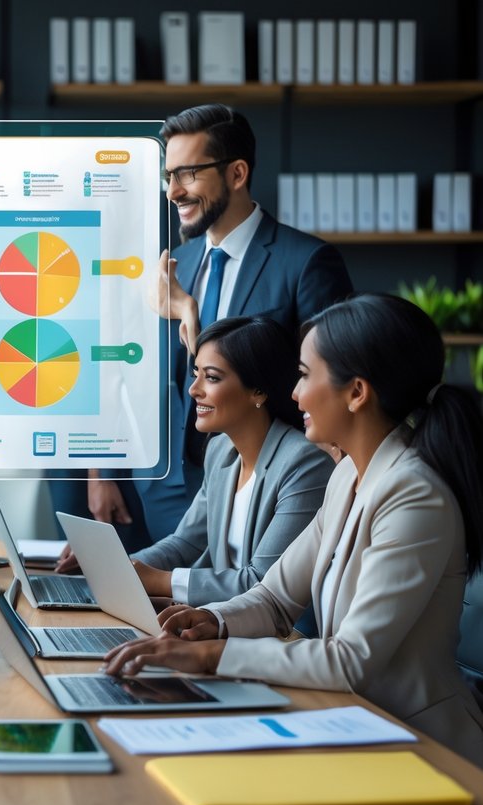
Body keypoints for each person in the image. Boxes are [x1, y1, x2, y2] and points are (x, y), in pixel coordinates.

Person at [103, 294, 483, 767]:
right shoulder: (348, 475)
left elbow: (350, 660)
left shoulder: (414, 494)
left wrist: (211, 656)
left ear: (356, 392)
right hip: (355, 721)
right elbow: (275, 597)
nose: (295, 393)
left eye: (304, 375)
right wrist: (215, 621)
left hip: (424, 744)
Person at [63, 103, 353, 549]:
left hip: (262, 483)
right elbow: (124, 368)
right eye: (168, 176)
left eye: (188, 174)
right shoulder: (177, 263)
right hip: (164, 483)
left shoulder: (307, 263)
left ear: (237, 174)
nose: (173, 192)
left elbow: (329, 383)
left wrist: (192, 319)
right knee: (169, 610)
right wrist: (102, 471)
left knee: (243, 607)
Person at [57, 316, 334, 607]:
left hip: (278, 636)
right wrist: (113, 565)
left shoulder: (304, 463)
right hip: (219, 622)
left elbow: (262, 582)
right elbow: (185, 543)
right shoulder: (220, 451)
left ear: (259, 391)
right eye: (196, 373)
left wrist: (158, 580)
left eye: (212, 377)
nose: (194, 389)